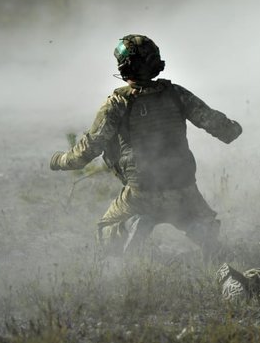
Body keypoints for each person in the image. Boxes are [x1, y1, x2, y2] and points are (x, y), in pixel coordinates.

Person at [49, 34, 242, 256]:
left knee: (105, 232)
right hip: (183, 185)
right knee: (196, 219)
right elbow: (220, 127)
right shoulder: (177, 94)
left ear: (124, 68)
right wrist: (234, 128)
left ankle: (131, 224)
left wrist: (59, 161)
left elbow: (88, 150)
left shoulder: (117, 104)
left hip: (141, 192)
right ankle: (200, 231)